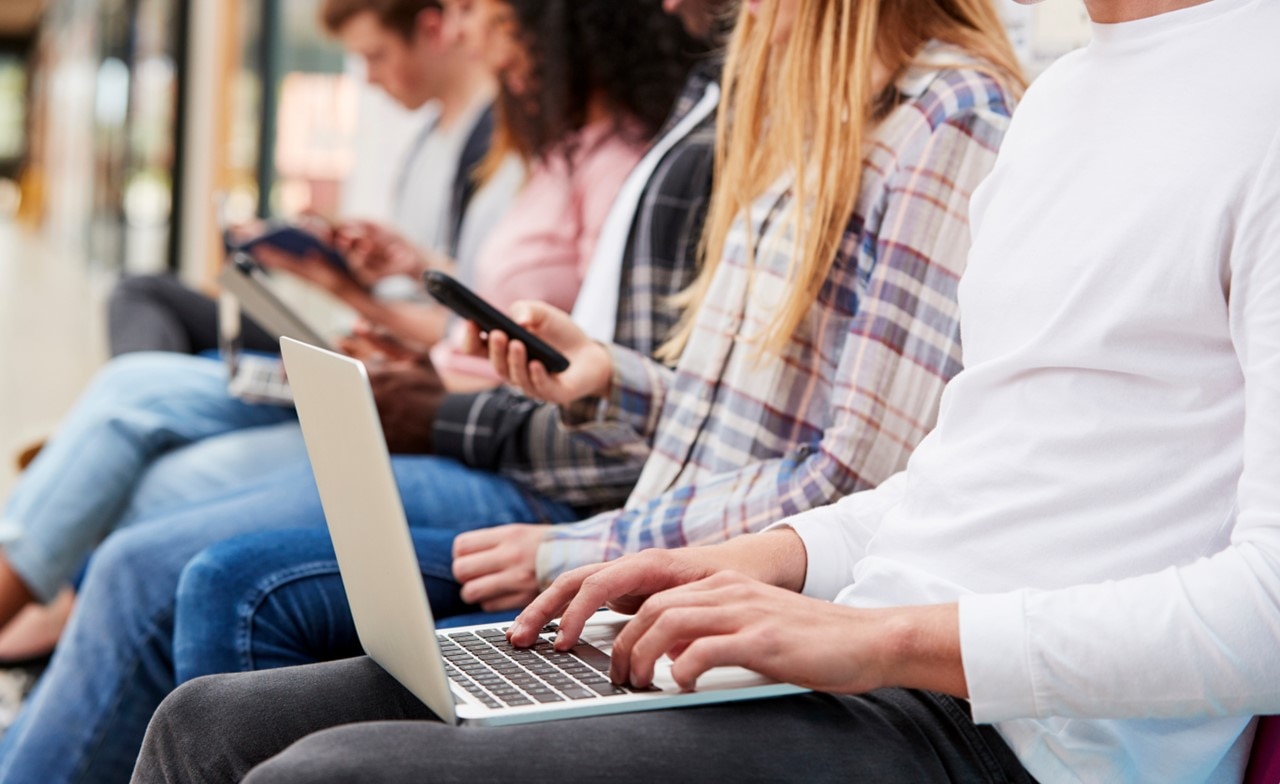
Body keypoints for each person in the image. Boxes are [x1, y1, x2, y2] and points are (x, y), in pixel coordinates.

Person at [136, 0, 1280, 781]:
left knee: (329, 773)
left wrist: (878, 637)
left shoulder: (1249, 99)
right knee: (210, 723)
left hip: (1018, 736)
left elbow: (1266, 616)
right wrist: (760, 559)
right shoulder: (1070, 97)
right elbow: (970, 469)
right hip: (861, 638)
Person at [0, 2, 700, 782]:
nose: (469, 35)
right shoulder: (552, 154)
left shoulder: (623, 166)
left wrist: (433, 391)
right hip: (445, 403)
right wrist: (387, 310)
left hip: (482, 441)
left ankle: (43, 627)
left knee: (161, 494)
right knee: (142, 405)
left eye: (483, 18)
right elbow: (526, 348)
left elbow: (592, 392)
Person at [107, 0, 504, 359]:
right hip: (363, 333)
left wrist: (342, 290)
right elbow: (411, 273)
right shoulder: (426, 140)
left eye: (376, 56)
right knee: (143, 300)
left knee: (141, 300)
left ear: (432, 31)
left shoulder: (492, 150)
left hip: (390, 359)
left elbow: (457, 324)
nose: (369, 78)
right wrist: (329, 256)